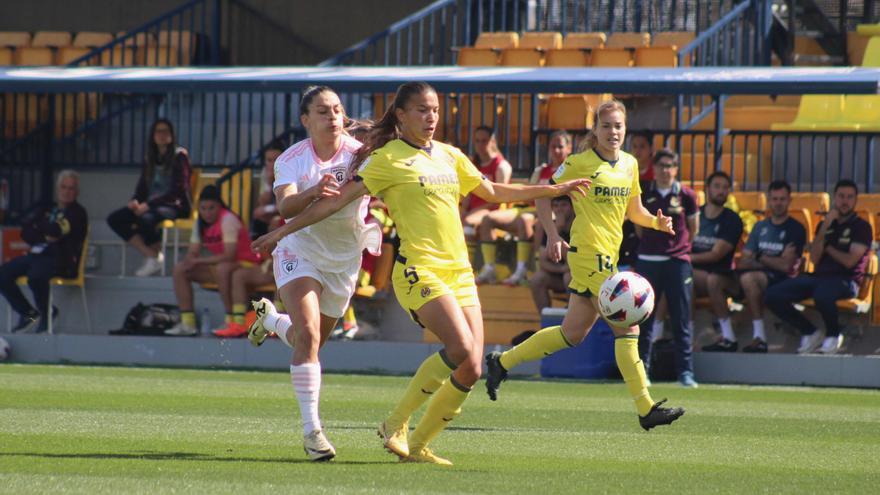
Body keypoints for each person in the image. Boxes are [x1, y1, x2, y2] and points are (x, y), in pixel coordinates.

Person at [251, 81, 589, 465]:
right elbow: (334, 203)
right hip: (416, 268)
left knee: (473, 365)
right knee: (456, 347)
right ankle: (377, 425)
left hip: (455, 270)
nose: (431, 118)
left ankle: (417, 445)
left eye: (436, 111)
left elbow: (493, 191)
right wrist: (280, 231)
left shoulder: (448, 155)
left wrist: (553, 189)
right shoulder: (385, 158)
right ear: (401, 114)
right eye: (422, 110)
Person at [484, 100, 685, 431]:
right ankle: (646, 408)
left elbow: (633, 211)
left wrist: (655, 223)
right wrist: (551, 234)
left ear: (625, 129)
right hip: (589, 256)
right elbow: (544, 192)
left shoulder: (630, 165)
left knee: (572, 334)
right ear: (595, 129)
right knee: (628, 328)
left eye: (618, 126)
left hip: (611, 254)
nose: (613, 132)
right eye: (606, 126)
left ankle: (502, 362)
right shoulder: (579, 162)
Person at [242, 86, 380, 461]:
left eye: (336, 109)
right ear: (306, 120)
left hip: (344, 259)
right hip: (298, 250)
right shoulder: (291, 160)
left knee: (312, 341)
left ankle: (271, 320)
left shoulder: (360, 155)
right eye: (322, 111)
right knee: (309, 334)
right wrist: (314, 191)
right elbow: (286, 205)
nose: (332, 116)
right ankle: (312, 432)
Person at [765, 179, 872, 355]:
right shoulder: (825, 224)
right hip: (820, 277)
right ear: (834, 198)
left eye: (849, 197)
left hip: (846, 281)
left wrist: (828, 247)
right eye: (841, 196)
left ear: (855, 200)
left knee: (822, 293)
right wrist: (825, 228)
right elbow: (814, 258)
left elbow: (849, 262)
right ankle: (810, 331)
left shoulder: (861, 227)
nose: (845, 201)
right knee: (772, 295)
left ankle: (833, 334)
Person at [475, 130, 573, 285]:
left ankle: (523, 270)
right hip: (529, 208)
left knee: (527, 220)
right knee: (488, 219)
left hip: (552, 211)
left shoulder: (571, 171)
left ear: (569, 149)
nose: (556, 150)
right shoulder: (541, 170)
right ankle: (489, 269)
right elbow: (530, 193)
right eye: (552, 146)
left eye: (560, 147)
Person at [164, 185, 261, 336]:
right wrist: (190, 259)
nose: (207, 213)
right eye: (203, 208)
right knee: (180, 269)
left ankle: (231, 320)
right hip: (223, 266)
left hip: (247, 264)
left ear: (219, 206)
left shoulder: (228, 219)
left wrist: (199, 261)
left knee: (223, 269)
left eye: (211, 208)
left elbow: (230, 255)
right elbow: (193, 251)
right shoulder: (199, 223)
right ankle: (187, 323)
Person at [0, 170, 87, 333]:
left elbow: (54, 230)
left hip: (61, 259)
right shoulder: (48, 208)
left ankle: (48, 314)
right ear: (57, 189)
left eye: (71, 188)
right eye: (63, 187)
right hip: (37, 254)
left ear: (77, 192)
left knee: (36, 276)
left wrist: (41, 228)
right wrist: (45, 234)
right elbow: (25, 231)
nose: (67, 192)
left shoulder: (77, 212)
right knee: (3, 274)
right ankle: (29, 314)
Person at [106, 118, 191, 277]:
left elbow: (178, 189)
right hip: (151, 205)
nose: (162, 135)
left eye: (166, 131)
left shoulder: (180, 155)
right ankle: (151, 255)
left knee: (146, 218)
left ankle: (156, 255)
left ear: (172, 135)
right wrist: (135, 201)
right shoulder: (150, 158)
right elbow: (142, 187)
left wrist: (149, 204)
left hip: (173, 205)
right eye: (158, 131)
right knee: (116, 218)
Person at [734, 180, 806, 353]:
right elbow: (744, 260)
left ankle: (759, 337)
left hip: (783, 280)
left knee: (749, 278)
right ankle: (728, 336)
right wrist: (772, 259)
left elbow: (786, 266)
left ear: (790, 200)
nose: (778, 203)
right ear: (769, 200)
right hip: (761, 275)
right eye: (774, 199)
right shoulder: (760, 227)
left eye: (782, 199)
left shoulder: (796, 229)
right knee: (717, 280)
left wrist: (758, 256)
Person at [694, 171, 744, 352]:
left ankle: (728, 337)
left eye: (725, 187)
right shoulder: (695, 216)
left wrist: (687, 257)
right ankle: (686, 338)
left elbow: (716, 255)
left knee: (712, 280)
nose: (721, 191)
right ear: (707, 189)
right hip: (696, 275)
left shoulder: (732, 219)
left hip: (724, 275)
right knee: (684, 279)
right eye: (717, 186)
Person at [461, 126, 512, 237]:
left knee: (468, 223)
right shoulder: (473, 164)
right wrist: (464, 210)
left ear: (492, 141)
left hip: (493, 210)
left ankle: (469, 255)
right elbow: (467, 193)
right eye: (477, 141)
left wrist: (472, 212)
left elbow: (498, 198)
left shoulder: (501, 166)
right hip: (473, 210)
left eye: (484, 141)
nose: (480, 145)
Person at [528, 194, 574, 314]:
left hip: (578, 275)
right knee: (537, 279)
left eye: (564, 205)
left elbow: (575, 260)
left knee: (569, 277)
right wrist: (557, 230)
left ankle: (572, 315)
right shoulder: (551, 226)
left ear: (573, 207)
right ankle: (545, 320)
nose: (559, 209)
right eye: (556, 205)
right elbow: (543, 261)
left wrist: (567, 269)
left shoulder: (579, 226)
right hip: (560, 272)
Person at [251, 140, 285, 239]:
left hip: (291, 212)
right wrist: (269, 183)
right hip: (277, 209)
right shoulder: (265, 173)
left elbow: (288, 205)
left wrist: (266, 209)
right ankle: (260, 252)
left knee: (275, 220)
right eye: (269, 160)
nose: (273, 164)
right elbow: (262, 203)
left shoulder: (290, 172)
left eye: (276, 159)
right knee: (260, 217)